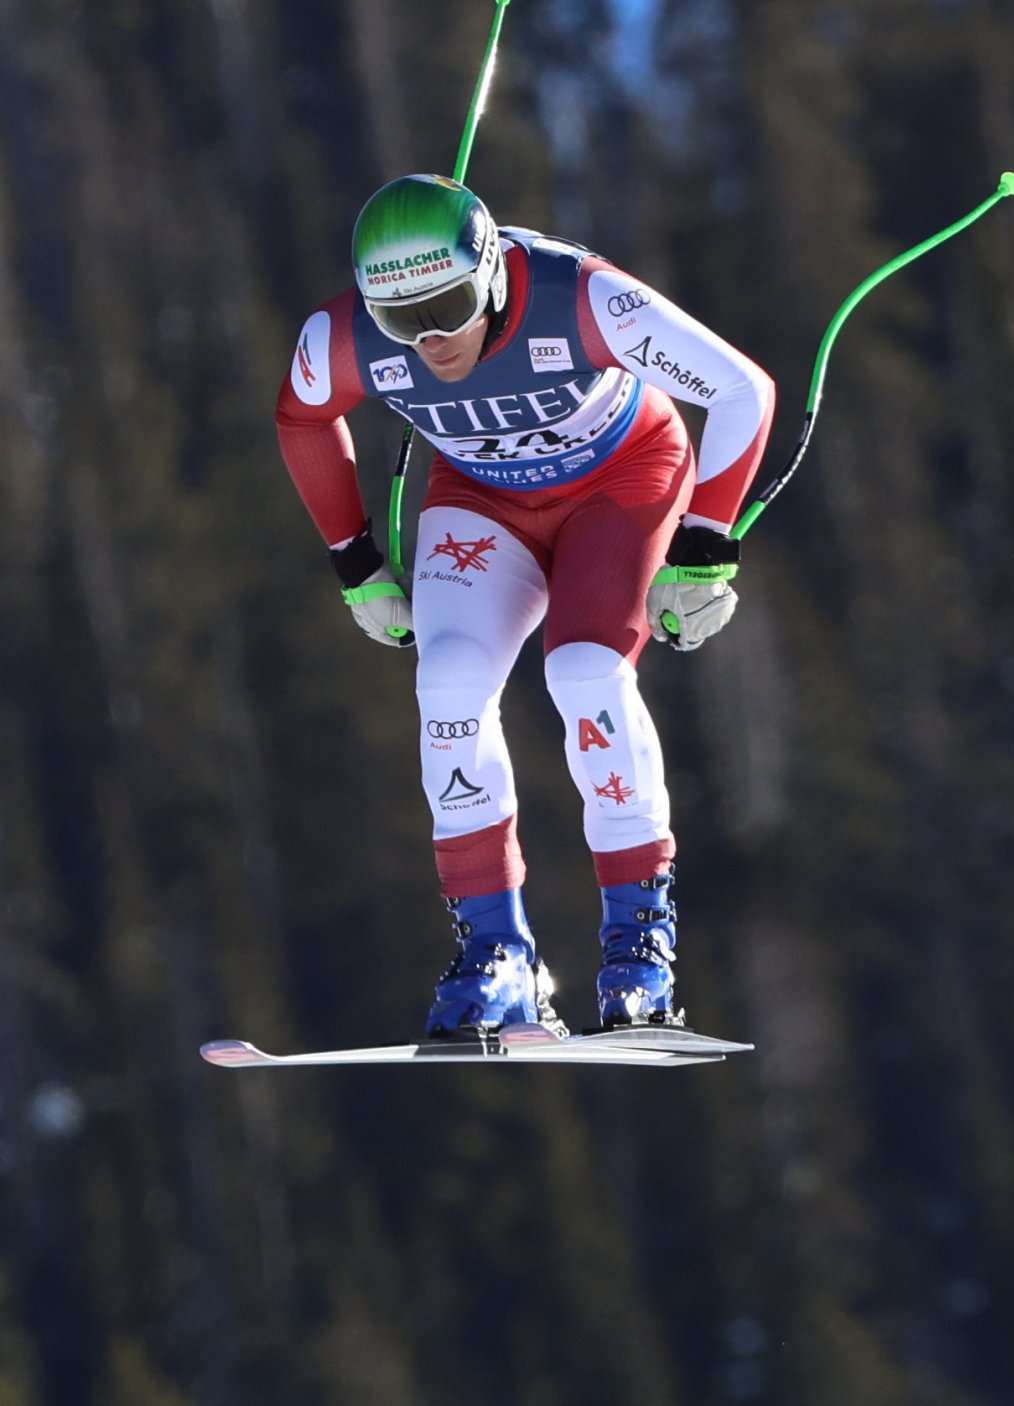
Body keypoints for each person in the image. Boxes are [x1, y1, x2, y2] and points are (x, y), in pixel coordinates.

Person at [274, 174, 775, 1037]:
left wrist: (704, 547)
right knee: (449, 686)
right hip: (481, 498)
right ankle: (498, 957)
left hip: (621, 484)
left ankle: (636, 951)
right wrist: (356, 559)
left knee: (584, 674)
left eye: (451, 303)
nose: (431, 338)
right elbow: (302, 417)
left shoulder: (583, 302)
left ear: (495, 271)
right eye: (403, 318)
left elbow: (740, 390)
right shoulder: (342, 335)